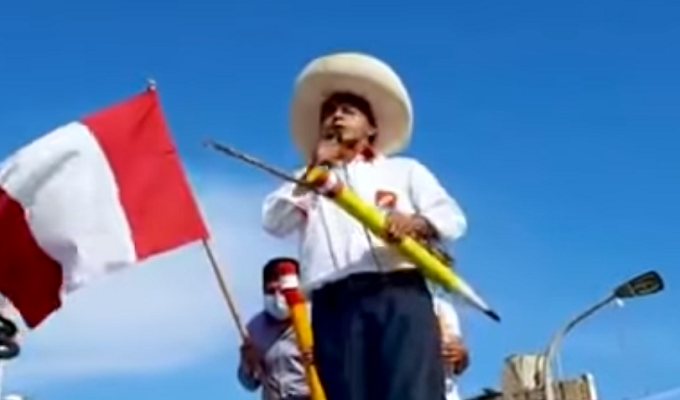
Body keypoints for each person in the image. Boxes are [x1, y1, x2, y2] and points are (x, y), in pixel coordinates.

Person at [262, 52, 468, 400]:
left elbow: (451, 217)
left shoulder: (403, 170)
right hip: (334, 303)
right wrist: (315, 170)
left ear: (371, 128)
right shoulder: (306, 179)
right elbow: (273, 221)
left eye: (349, 110)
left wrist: (415, 223)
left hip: (398, 293)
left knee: (411, 391)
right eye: (330, 112)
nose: (337, 116)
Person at [237, 257, 310, 400]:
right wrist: (247, 366)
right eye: (271, 291)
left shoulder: (315, 319)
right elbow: (249, 384)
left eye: (283, 291)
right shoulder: (254, 328)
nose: (278, 298)